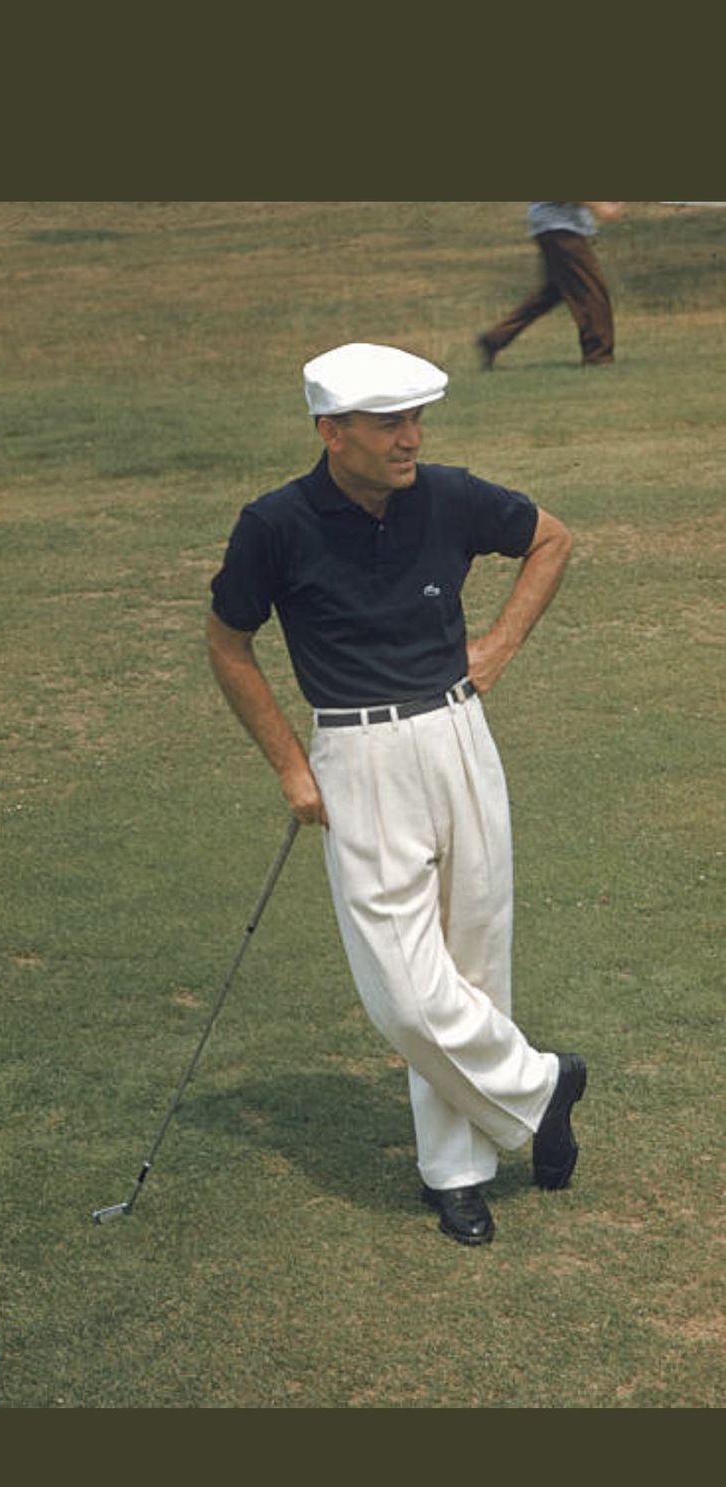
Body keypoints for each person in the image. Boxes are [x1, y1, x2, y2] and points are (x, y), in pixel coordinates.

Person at [207, 342, 586, 1247]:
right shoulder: (273, 524)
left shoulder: (448, 495)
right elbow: (228, 644)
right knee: (406, 996)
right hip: (356, 754)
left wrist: (494, 650)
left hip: (459, 737)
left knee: (474, 964)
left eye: (417, 419)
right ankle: (544, 1086)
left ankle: (457, 1174)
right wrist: (292, 768)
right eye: (391, 424)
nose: (411, 439)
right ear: (332, 432)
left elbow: (551, 538)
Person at [478, 202, 624, 369]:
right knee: (591, 289)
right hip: (559, 227)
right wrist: (598, 206)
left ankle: (494, 338)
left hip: (556, 226)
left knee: (552, 292)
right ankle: (598, 356)